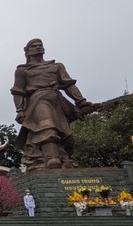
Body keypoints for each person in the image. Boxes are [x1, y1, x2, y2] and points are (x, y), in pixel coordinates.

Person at [11, 38, 94, 170]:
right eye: (34, 46)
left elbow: (68, 85)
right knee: (46, 126)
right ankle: (51, 158)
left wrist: (80, 101)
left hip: (58, 101)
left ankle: (63, 158)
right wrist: (20, 110)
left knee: (65, 134)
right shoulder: (22, 71)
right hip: (37, 100)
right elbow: (18, 91)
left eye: (40, 45)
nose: (38, 47)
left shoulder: (56, 66)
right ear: (27, 52)